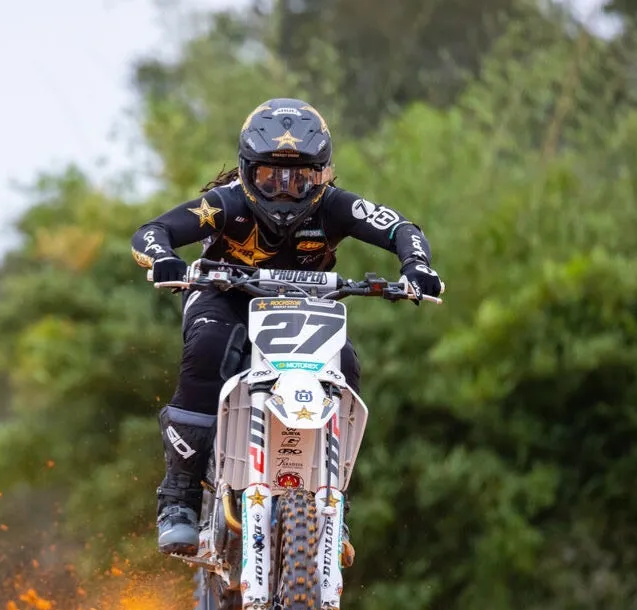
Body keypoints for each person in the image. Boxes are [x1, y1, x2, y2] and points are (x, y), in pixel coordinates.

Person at [130, 97, 443, 557]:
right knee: (209, 348)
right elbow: (152, 231)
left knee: (346, 367)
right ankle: (179, 498)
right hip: (224, 297)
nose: (284, 190)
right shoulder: (225, 203)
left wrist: (416, 266)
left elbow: (400, 227)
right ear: (246, 171)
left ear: (323, 174)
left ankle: (333, 501)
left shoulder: (336, 206)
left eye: (300, 179)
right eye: (269, 176)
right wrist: (163, 259)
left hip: (305, 308)